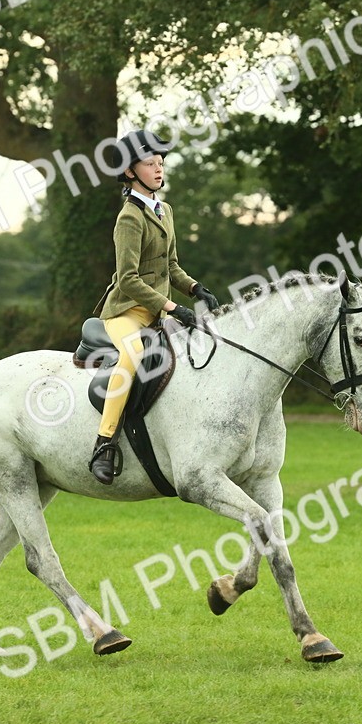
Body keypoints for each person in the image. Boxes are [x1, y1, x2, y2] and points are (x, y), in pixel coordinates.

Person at [88, 129, 219, 485]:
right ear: (131, 171)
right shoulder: (129, 218)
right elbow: (129, 279)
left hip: (159, 313)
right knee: (131, 358)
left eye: (161, 163)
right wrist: (174, 308)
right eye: (150, 164)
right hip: (126, 313)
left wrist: (196, 288)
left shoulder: (166, 210)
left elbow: (170, 266)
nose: (159, 169)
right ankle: (104, 442)